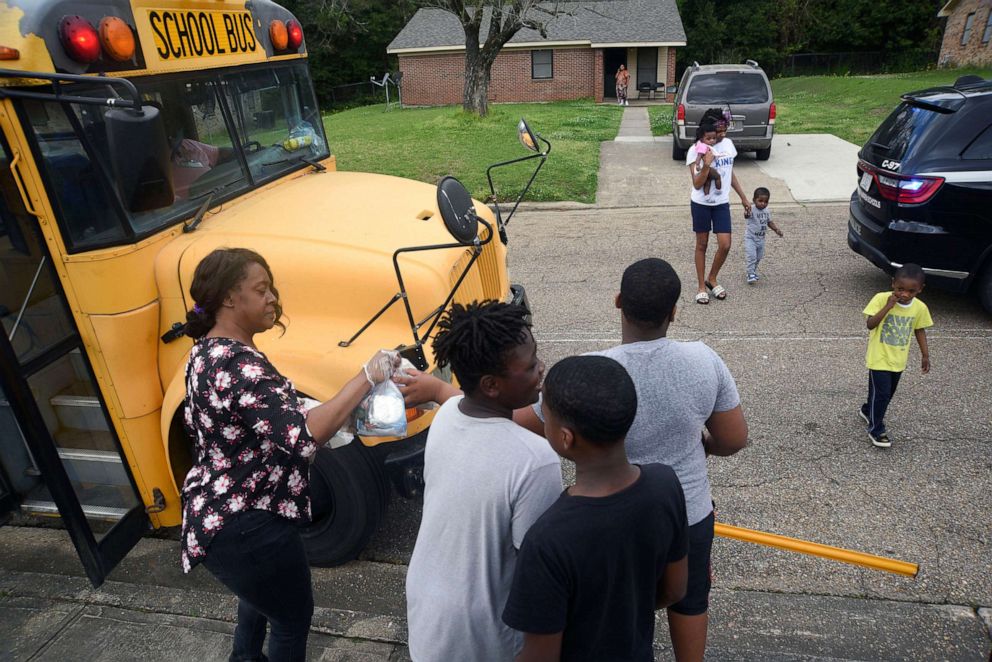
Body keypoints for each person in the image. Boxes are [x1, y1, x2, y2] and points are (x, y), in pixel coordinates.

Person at [398, 258, 747, 662]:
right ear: (674, 310)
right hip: (688, 514)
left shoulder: (581, 388)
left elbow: (501, 416)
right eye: (532, 366)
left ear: (618, 302)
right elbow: (733, 439)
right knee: (690, 602)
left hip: (443, 626)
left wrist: (444, 394)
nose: (540, 371)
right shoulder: (668, 476)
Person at [180, 247, 398, 662]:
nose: (273, 299)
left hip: (219, 515)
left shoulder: (206, 352)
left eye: (272, 289)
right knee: (291, 620)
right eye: (261, 290)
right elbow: (301, 437)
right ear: (229, 298)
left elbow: (257, 421)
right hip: (248, 525)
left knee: (262, 598)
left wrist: (341, 418)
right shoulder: (239, 365)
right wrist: (366, 376)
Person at [502, 355, 689, 662]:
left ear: (565, 438)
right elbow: (675, 590)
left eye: (544, 416)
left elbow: (540, 657)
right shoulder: (665, 485)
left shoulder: (547, 540)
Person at [405, 300, 562, 662]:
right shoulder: (536, 461)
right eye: (529, 365)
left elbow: (455, 400)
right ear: (491, 385)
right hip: (480, 634)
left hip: (427, 610)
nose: (541, 369)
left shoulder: (445, 417)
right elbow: (537, 576)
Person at [860, 263, 932, 448]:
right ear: (893, 284)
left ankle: (868, 410)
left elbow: (919, 329)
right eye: (900, 289)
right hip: (878, 358)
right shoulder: (881, 298)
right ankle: (876, 429)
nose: (905, 294)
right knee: (882, 394)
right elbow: (870, 324)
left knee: (885, 394)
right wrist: (888, 307)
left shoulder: (919, 308)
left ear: (920, 290)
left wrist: (925, 354)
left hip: (898, 360)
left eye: (911, 291)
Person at [688, 108, 752, 304]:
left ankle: (712, 278)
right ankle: (701, 286)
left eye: (724, 128)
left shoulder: (728, 145)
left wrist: (743, 197)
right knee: (702, 244)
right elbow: (697, 184)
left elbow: (729, 172)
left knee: (725, 244)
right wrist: (707, 165)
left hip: (722, 203)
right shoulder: (696, 149)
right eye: (719, 128)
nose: (722, 133)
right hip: (701, 203)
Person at [744, 186, 784, 283]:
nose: (763, 203)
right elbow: (746, 215)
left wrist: (776, 230)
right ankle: (750, 274)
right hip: (751, 238)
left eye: (766, 202)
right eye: (760, 201)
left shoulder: (766, 211)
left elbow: (769, 222)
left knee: (758, 257)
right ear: (754, 200)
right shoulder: (752, 209)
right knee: (752, 256)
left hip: (761, 239)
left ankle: (753, 271)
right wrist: (747, 211)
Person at [692, 125, 722, 197]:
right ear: (702, 139)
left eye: (714, 138)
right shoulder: (704, 146)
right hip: (706, 167)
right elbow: (699, 156)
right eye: (708, 139)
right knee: (717, 177)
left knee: (707, 182)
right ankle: (718, 190)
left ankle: (707, 196)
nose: (712, 140)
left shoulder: (701, 144)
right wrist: (698, 165)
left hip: (706, 168)